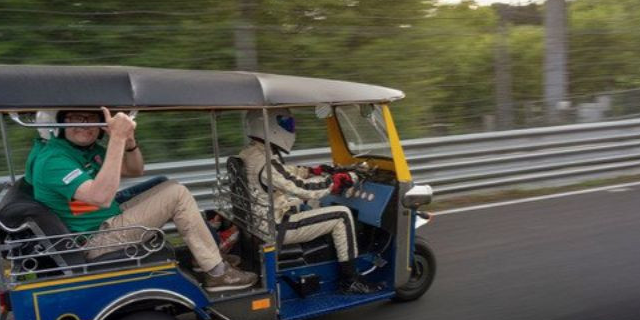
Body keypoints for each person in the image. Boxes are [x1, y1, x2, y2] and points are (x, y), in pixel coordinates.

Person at [25, 107, 257, 293]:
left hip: (104, 222)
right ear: (59, 124)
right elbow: (101, 197)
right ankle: (217, 273)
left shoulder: (84, 150)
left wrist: (128, 141)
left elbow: (134, 169)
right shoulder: (54, 160)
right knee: (177, 194)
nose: (85, 125)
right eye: (76, 118)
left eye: (92, 118)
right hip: (96, 240)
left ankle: (204, 256)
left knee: (167, 185)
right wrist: (116, 138)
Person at [238, 108, 384, 294]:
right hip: (275, 228)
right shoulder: (266, 162)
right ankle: (349, 280)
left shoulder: (250, 154)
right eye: (286, 124)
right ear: (269, 126)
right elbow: (305, 189)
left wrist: (312, 171)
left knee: (310, 205)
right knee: (342, 215)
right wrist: (341, 179)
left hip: (260, 223)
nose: (291, 129)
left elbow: (283, 174)